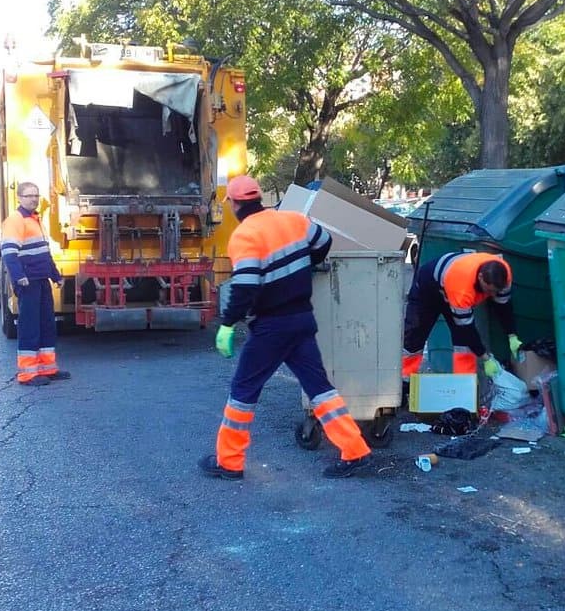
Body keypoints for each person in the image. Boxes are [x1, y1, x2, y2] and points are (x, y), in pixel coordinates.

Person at [199, 175, 372, 480]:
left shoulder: (244, 236)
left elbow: (247, 285)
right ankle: (355, 450)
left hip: (271, 327)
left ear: (235, 204)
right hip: (302, 319)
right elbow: (324, 242)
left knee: (243, 391)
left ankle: (229, 461)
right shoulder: (294, 220)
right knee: (320, 389)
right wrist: (307, 261)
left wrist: (227, 323)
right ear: (259, 198)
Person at [400, 251, 522, 403]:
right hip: (428, 289)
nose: (492, 294)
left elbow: (503, 307)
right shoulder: (462, 288)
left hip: (452, 281)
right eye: (489, 290)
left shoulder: (504, 275)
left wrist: (512, 335)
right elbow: (467, 329)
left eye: (495, 291)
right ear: (480, 277)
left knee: (463, 347)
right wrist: (486, 358)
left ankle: (464, 390)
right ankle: (403, 384)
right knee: (415, 335)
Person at [1, 182, 70, 386]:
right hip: (28, 282)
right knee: (30, 326)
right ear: (19, 198)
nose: (33, 199)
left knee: (47, 324)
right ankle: (27, 374)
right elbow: (9, 253)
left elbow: (43, 253)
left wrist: (56, 276)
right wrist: (18, 276)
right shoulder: (15, 220)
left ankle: (48, 369)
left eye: (36, 196)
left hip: (41, 280)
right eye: (29, 196)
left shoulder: (36, 220)